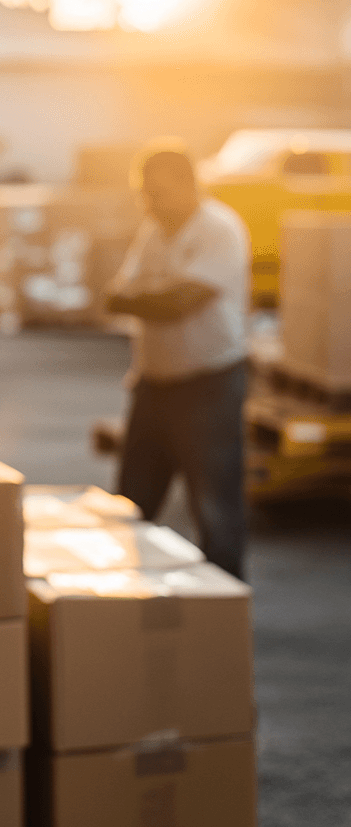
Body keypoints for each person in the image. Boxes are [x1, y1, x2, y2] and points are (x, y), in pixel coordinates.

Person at [106, 147, 250, 580]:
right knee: (132, 500)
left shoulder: (219, 229)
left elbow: (182, 302)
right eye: (144, 195)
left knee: (214, 503)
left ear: (189, 185)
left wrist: (150, 298)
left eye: (160, 193)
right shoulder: (153, 229)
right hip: (154, 384)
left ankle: (223, 602)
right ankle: (128, 599)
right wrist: (158, 297)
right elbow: (115, 295)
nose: (150, 204)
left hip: (209, 383)